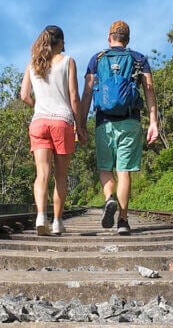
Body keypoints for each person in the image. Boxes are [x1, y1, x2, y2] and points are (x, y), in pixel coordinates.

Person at [78, 20, 159, 235]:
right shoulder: (138, 59)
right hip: (130, 120)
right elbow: (149, 91)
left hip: (104, 122)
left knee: (105, 168)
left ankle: (108, 198)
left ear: (109, 37)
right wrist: (153, 122)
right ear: (127, 39)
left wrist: (81, 124)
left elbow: (87, 93)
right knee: (124, 172)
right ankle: (123, 221)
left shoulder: (97, 59)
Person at [20, 25, 83, 236]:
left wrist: (38, 107)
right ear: (61, 42)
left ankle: (40, 217)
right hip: (62, 122)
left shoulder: (33, 63)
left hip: (39, 122)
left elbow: (24, 96)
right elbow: (74, 97)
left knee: (42, 174)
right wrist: (80, 125)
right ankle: (57, 222)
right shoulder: (68, 61)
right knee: (61, 176)